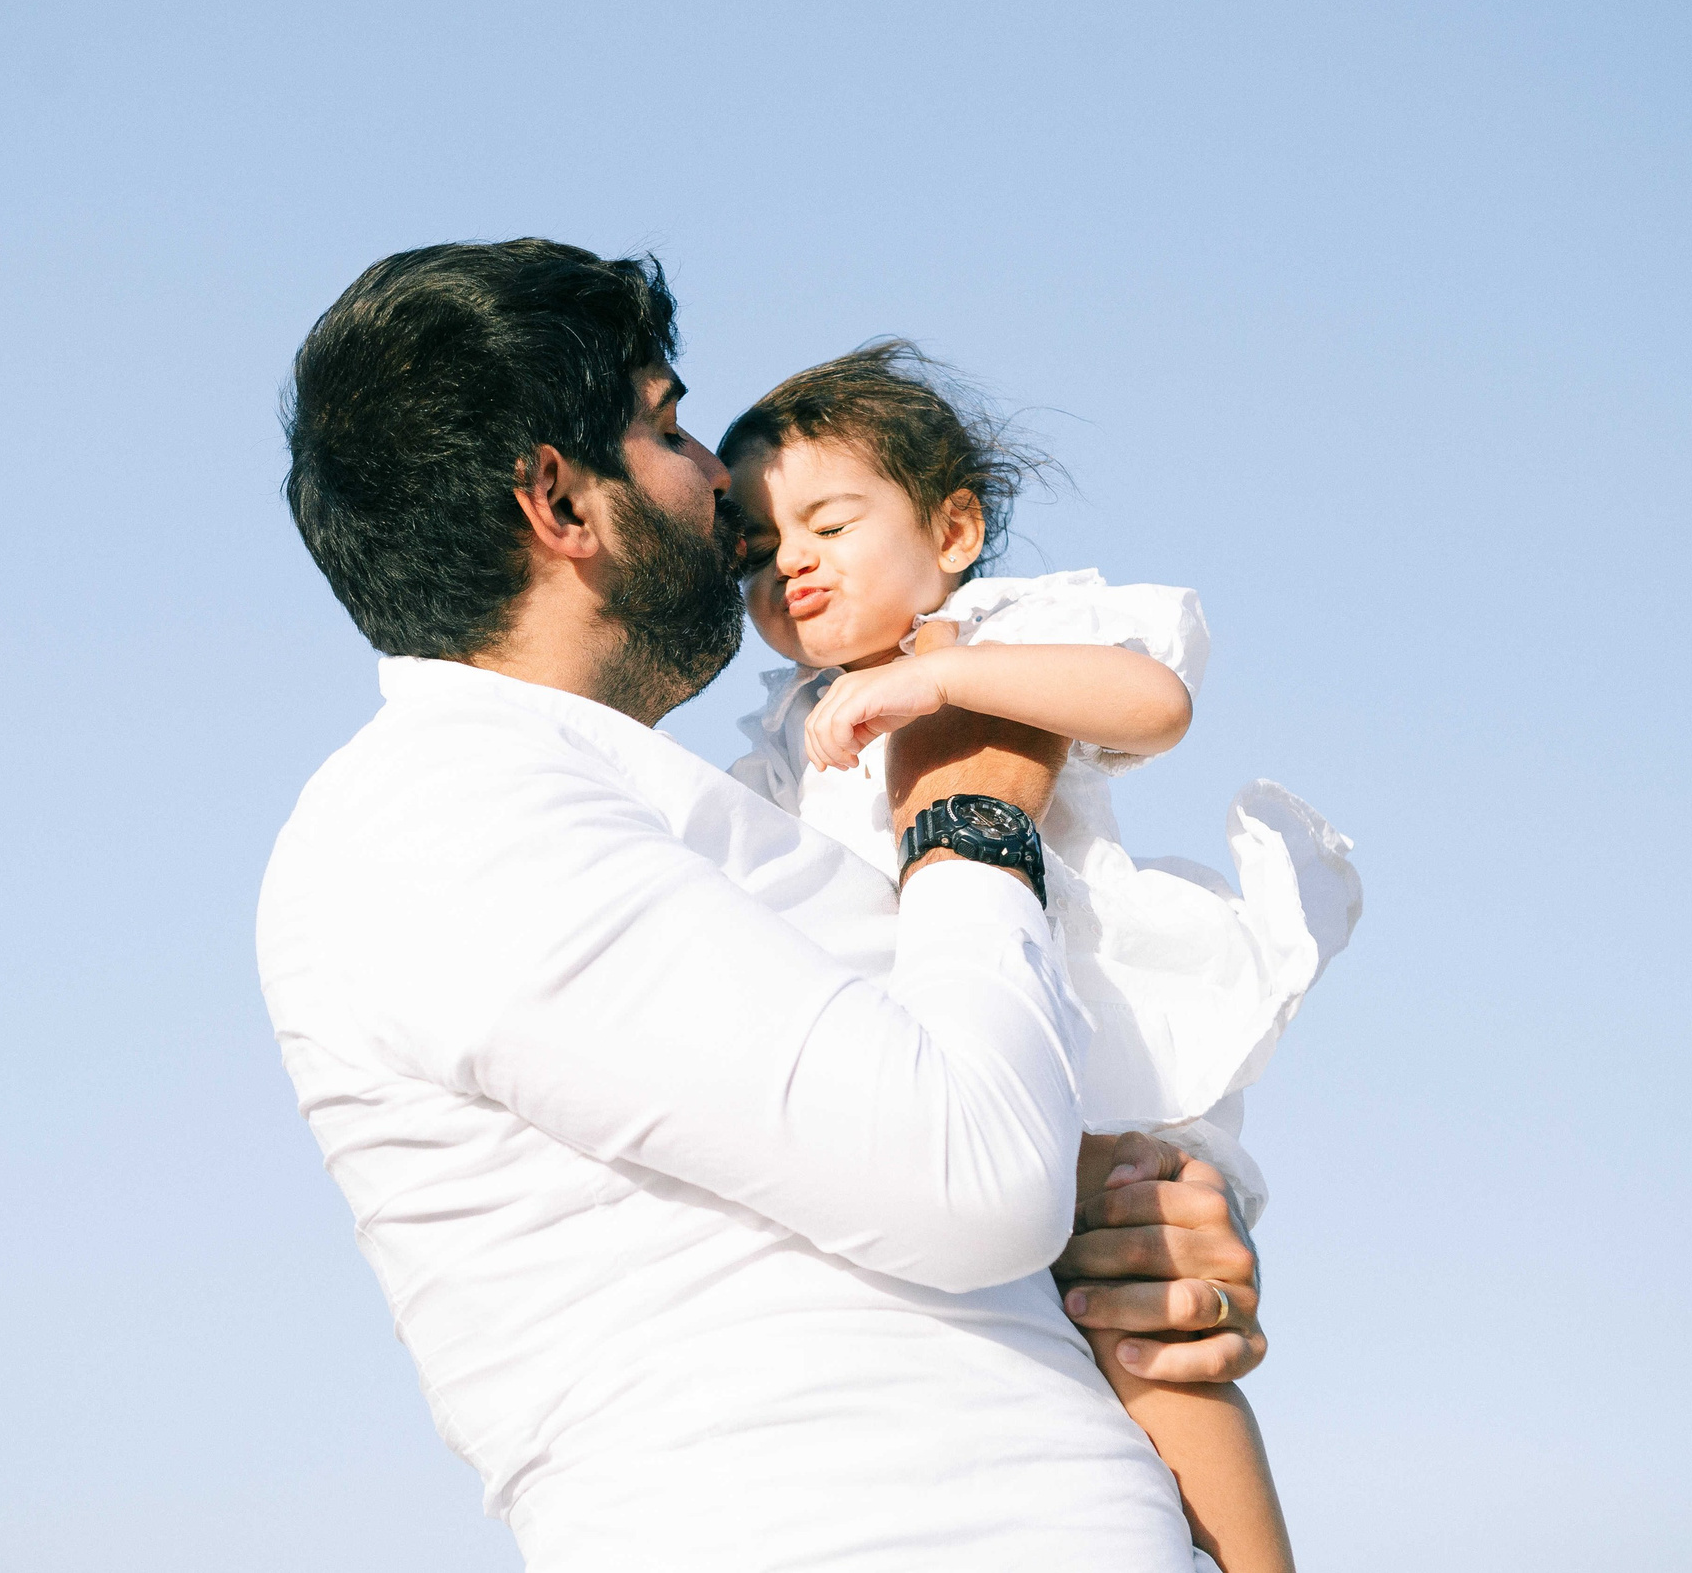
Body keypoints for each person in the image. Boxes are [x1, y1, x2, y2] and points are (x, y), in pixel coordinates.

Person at [261, 239, 1268, 1572]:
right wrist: (972, 815)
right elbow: (970, 1178)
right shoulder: (442, 813)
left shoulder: (653, 810)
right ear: (562, 500)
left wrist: (1132, 1209)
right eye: (667, 424)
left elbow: (962, 1136)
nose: (719, 480)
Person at [719, 343, 1365, 1573]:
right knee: (1041, 1325)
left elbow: (1153, 705)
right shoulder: (789, 732)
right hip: (928, 1054)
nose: (789, 560)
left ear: (952, 527)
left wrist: (947, 677)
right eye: (753, 548)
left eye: (828, 521)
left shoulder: (1006, 635)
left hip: (1074, 1038)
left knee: (1142, 1326)